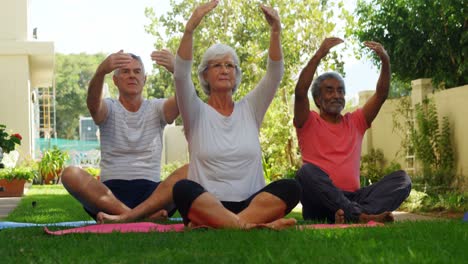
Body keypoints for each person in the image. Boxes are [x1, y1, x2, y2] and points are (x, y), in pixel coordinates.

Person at [171, 0, 301, 230]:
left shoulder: (250, 108)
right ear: (204, 75)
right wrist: (190, 28)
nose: (224, 70)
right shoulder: (195, 110)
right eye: (216, 65)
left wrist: (275, 31)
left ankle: (224, 225)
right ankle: (250, 225)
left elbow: (274, 74)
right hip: (208, 202)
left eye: (230, 65)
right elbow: (180, 74)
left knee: (292, 187)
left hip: (252, 203)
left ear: (236, 74)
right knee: (182, 189)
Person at [294, 37, 412, 224]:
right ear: (317, 99)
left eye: (340, 91)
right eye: (330, 91)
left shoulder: (356, 121)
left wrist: (385, 61)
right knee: (306, 172)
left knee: (402, 180)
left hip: (354, 198)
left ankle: (350, 214)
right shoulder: (307, 121)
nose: (336, 95)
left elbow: (381, 94)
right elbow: (300, 92)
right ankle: (359, 215)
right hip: (319, 200)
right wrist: (319, 54)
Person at [61, 50, 187, 223]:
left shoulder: (157, 108)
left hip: (152, 196)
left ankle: (124, 218)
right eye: (125, 72)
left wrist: (178, 71)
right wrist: (101, 71)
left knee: (191, 170)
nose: (132, 76)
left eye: (137, 71)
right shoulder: (109, 107)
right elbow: (92, 103)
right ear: (115, 80)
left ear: (145, 79)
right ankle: (138, 217)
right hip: (110, 196)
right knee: (70, 174)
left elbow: (187, 101)